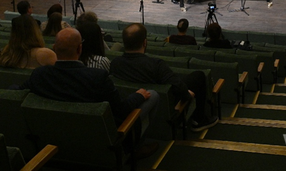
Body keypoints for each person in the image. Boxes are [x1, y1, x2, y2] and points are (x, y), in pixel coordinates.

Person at [20, 28, 159, 158]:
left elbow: (17, 92)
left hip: (53, 144)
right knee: (153, 95)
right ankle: (135, 147)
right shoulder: (97, 77)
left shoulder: (39, 75)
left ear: (54, 48)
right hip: (100, 146)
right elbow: (121, 111)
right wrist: (138, 96)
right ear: (79, 49)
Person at [110, 23, 218, 132]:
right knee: (198, 76)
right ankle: (199, 120)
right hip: (165, 105)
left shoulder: (115, 63)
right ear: (145, 42)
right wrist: (187, 94)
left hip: (131, 107)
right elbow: (179, 87)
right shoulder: (156, 65)